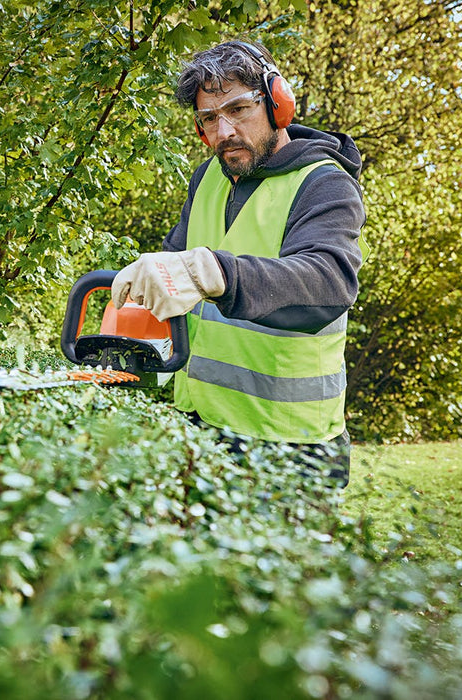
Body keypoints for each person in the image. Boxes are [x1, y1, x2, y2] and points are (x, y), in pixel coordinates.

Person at [111, 40, 365, 483]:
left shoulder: (324, 184)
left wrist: (219, 272)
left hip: (291, 444)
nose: (224, 131)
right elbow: (177, 266)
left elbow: (329, 282)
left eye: (238, 110)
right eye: (209, 119)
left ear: (276, 103)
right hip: (201, 424)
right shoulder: (209, 177)